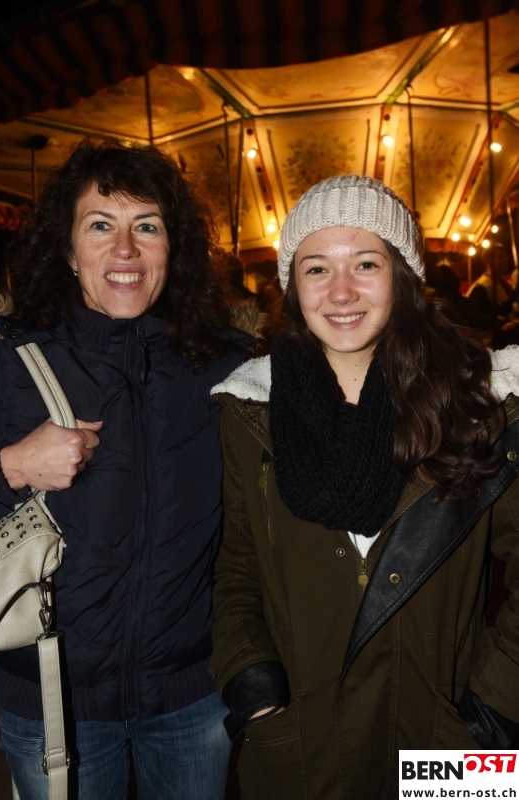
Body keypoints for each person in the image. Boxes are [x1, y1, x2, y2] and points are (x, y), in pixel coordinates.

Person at [209, 175, 519, 800]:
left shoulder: (483, 403)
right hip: (303, 744)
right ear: (293, 286)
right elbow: (236, 568)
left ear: (403, 276)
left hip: (453, 740)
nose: (341, 291)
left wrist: (496, 706)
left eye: (366, 264)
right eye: (316, 268)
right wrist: (253, 685)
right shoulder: (250, 410)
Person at [0, 137, 255, 800]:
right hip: (53, 700)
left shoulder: (229, 371)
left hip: (192, 695)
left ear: (174, 249)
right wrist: (11, 464)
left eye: (148, 227)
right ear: (68, 249)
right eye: (101, 226)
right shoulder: (7, 364)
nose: (126, 249)